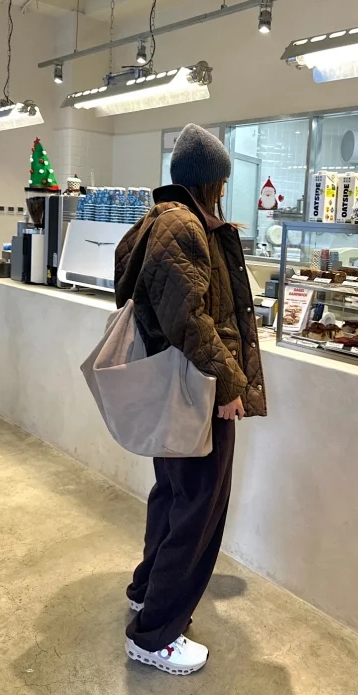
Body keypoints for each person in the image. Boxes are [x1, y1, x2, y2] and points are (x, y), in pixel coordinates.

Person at [114, 123, 267, 675]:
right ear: (211, 181)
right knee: (199, 509)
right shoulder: (183, 226)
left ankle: (147, 591)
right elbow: (189, 319)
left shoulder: (162, 218)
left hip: (174, 388)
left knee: (174, 496)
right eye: (222, 181)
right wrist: (227, 386)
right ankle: (155, 634)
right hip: (197, 390)